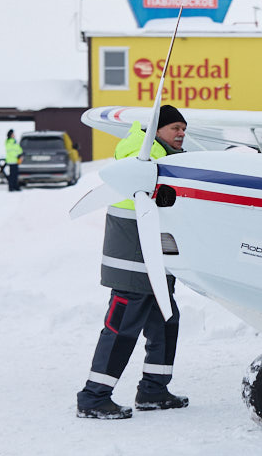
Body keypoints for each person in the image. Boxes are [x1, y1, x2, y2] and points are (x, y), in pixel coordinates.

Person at [77, 105, 189, 420]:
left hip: (157, 260)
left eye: (183, 128)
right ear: (157, 130)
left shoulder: (166, 156)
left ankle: (154, 390)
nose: (181, 134)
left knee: (166, 322)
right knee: (121, 327)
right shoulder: (139, 156)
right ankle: (93, 396)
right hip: (132, 261)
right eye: (174, 128)